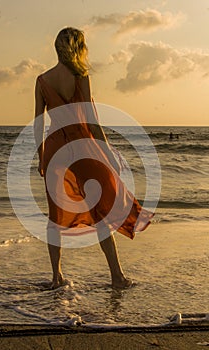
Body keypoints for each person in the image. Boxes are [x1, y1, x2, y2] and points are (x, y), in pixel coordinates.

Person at [34, 27, 153, 289]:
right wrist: (108, 150)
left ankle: (56, 277)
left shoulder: (42, 80)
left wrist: (42, 158)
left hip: (55, 149)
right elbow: (90, 121)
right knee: (101, 209)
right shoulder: (81, 75)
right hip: (83, 145)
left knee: (55, 215)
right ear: (78, 47)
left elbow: (37, 123)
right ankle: (117, 277)